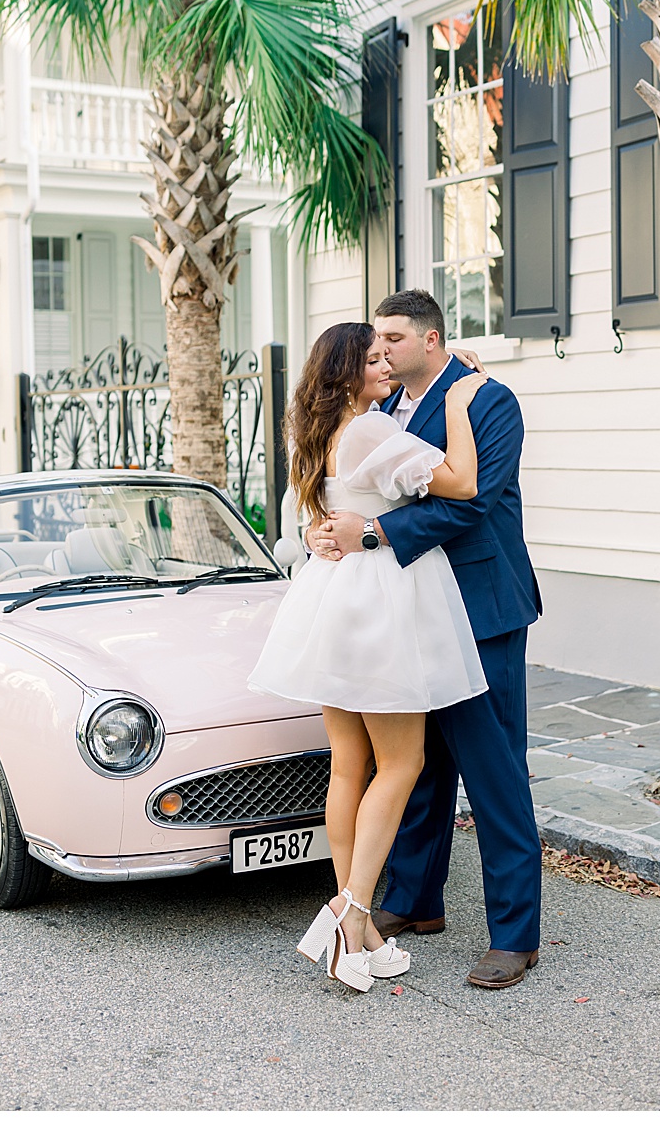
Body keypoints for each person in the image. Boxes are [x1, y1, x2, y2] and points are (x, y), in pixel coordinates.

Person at [310, 288, 544, 991]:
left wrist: (374, 534)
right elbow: (354, 489)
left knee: (494, 773)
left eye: (393, 339)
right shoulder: (378, 410)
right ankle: (414, 899)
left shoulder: (486, 400)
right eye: (374, 340)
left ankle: (515, 934)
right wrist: (324, 533)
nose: (379, 349)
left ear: (432, 340)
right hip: (408, 616)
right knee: (417, 766)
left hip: (480, 611)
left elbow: (471, 504)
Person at [248, 320, 489, 992]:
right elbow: (462, 482)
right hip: (381, 602)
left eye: (389, 354)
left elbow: (327, 509)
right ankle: (350, 910)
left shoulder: (322, 432)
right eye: (374, 358)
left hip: (335, 602)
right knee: (403, 761)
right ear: (347, 372)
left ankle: (361, 928)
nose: (385, 365)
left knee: (349, 764)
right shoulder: (371, 430)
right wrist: (458, 405)